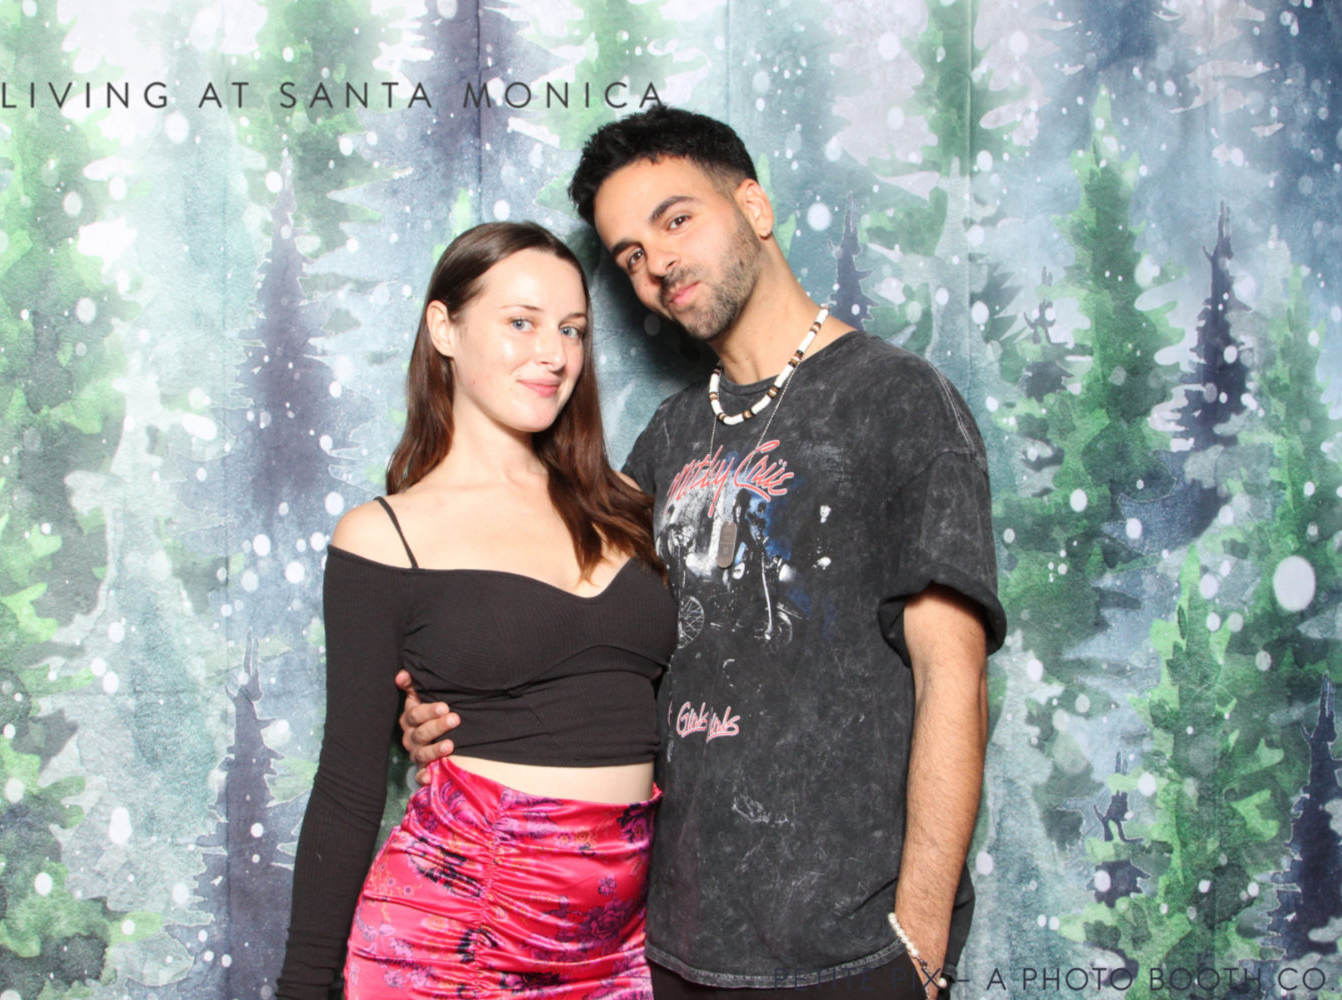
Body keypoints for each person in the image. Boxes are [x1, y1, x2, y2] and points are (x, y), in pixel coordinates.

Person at [399, 107, 1007, 999]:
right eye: (630, 257)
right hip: (671, 948)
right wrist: (455, 710)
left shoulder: (899, 401)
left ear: (753, 206)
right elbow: (578, 639)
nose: (658, 265)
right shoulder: (673, 434)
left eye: (676, 220)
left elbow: (953, 678)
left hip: (848, 952)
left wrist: (917, 944)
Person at [276, 221, 677, 1000]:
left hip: (618, 950)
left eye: (572, 330)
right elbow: (349, 786)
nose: (553, 353)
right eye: (521, 322)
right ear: (444, 328)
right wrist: (303, 986)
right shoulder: (385, 537)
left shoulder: (625, 506)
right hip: (455, 937)